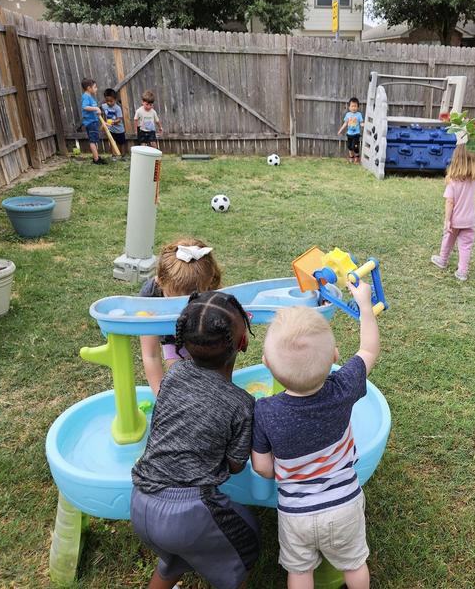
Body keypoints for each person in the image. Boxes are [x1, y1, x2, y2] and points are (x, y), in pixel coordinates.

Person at [251, 281, 380, 589]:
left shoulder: (265, 412)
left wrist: (276, 473)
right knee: (354, 564)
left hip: (296, 513)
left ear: (267, 365)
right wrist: (363, 304)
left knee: (299, 572)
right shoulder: (343, 388)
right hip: (344, 504)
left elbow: (262, 468)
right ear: (334, 356)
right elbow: (369, 349)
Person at [131, 291, 259, 589]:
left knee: (176, 557)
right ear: (243, 343)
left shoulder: (172, 378)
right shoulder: (241, 404)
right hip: (190, 512)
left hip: (140, 502)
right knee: (246, 543)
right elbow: (237, 466)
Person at [139, 238, 222, 396]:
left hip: (204, 333)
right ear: (160, 281)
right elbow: (151, 355)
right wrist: (162, 398)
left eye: (190, 301)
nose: (181, 310)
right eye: (173, 300)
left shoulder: (212, 293)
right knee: (178, 375)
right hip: (172, 338)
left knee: (208, 379)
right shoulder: (150, 296)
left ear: (209, 283)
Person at [430, 145, 475, 281]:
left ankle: (443, 259)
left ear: (456, 160)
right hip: (470, 220)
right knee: (466, 246)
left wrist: (447, 220)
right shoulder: (474, 181)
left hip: (455, 220)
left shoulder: (452, 182)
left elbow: (449, 202)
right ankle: (462, 272)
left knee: (448, 239)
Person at [80, 78, 106, 165]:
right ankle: (96, 159)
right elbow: (85, 107)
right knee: (93, 141)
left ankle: (97, 156)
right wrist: (96, 108)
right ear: (88, 88)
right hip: (91, 123)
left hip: (93, 121)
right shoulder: (86, 97)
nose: (96, 89)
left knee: (94, 140)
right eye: (95, 87)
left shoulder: (89, 97)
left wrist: (97, 112)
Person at [101, 88, 127, 159]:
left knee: (122, 143)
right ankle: (114, 156)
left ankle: (123, 156)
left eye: (111, 101)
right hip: (111, 129)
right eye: (107, 101)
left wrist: (112, 122)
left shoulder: (117, 108)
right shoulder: (104, 106)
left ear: (115, 100)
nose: (109, 103)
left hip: (119, 130)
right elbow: (101, 112)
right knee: (112, 143)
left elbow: (119, 119)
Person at [337, 97, 364, 163]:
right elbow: (345, 124)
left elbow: (361, 123)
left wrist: (363, 125)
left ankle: (357, 157)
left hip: (356, 134)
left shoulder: (359, 115)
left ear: (358, 107)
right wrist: (340, 130)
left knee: (355, 146)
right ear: (349, 107)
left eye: (355, 106)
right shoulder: (348, 115)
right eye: (352, 106)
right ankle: (351, 157)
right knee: (349, 146)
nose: (353, 108)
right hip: (349, 134)